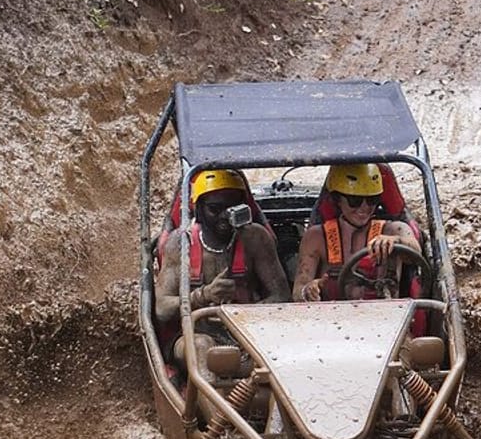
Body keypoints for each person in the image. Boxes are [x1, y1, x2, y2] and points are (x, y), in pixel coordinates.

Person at [155, 169, 290, 387]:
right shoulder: (180, 244)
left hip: (248, 334)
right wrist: (203, 295)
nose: (224, 217)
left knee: (279, 354)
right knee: (203, 348)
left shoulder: (255, 238)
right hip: (194, 334)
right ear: (198, 208)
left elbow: (282, 296)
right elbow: (161, 309)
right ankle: (218, 419)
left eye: (232, 208)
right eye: (215, 209)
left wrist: (242, 316)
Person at [293, 163, 421, 302]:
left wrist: (396, 241)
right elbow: (298, 290)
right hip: (329, 317)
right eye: (355, 201)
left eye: (372, 200)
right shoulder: (316, 237)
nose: (364, 208)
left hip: (383, 315)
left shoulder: (394, 229)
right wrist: (308, 291)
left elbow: (416, 253)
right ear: (337, 199)